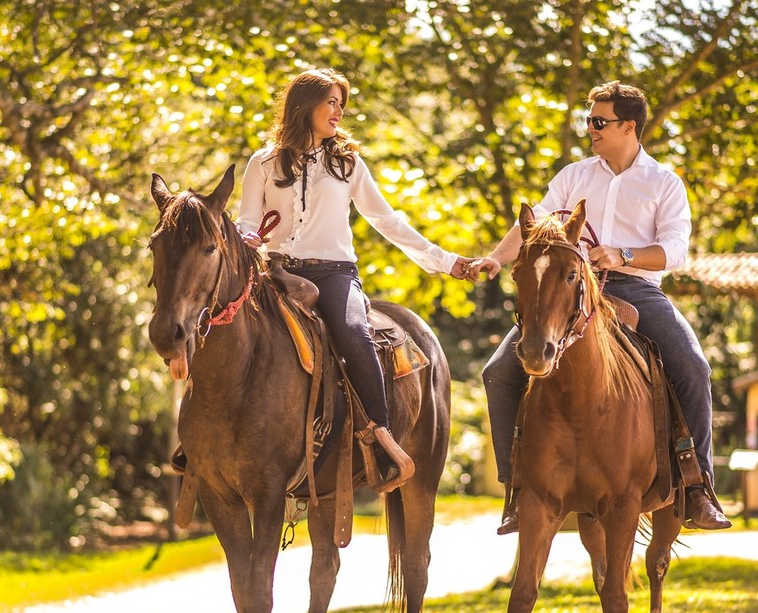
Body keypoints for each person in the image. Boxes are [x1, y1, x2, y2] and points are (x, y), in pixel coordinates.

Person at [473, 80, 731, 533]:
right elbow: (535, 221)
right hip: (570, 290)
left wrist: (622, 254)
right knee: (498, 372)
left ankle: (697, 487)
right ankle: (516, 486)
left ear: (628, 126)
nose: (590, 129)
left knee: (693, 367)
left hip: (636, 289)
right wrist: (496, 258)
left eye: (599, 121)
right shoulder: (574, 175)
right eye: (589, 120)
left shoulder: (664, 183)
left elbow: (674, 251)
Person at [235, 67, 475, 494]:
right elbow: (247, 221)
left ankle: (380, 436)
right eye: (331, 102)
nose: (339, 111)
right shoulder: (263, 162)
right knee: (224, 323)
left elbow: (387, 220)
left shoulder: (347, 163)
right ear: (305, 105)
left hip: (333, 273)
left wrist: (445, 261)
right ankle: (203, 437)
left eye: (341, 104)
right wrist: (247, 237)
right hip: (275, 273)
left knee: (353, 331)